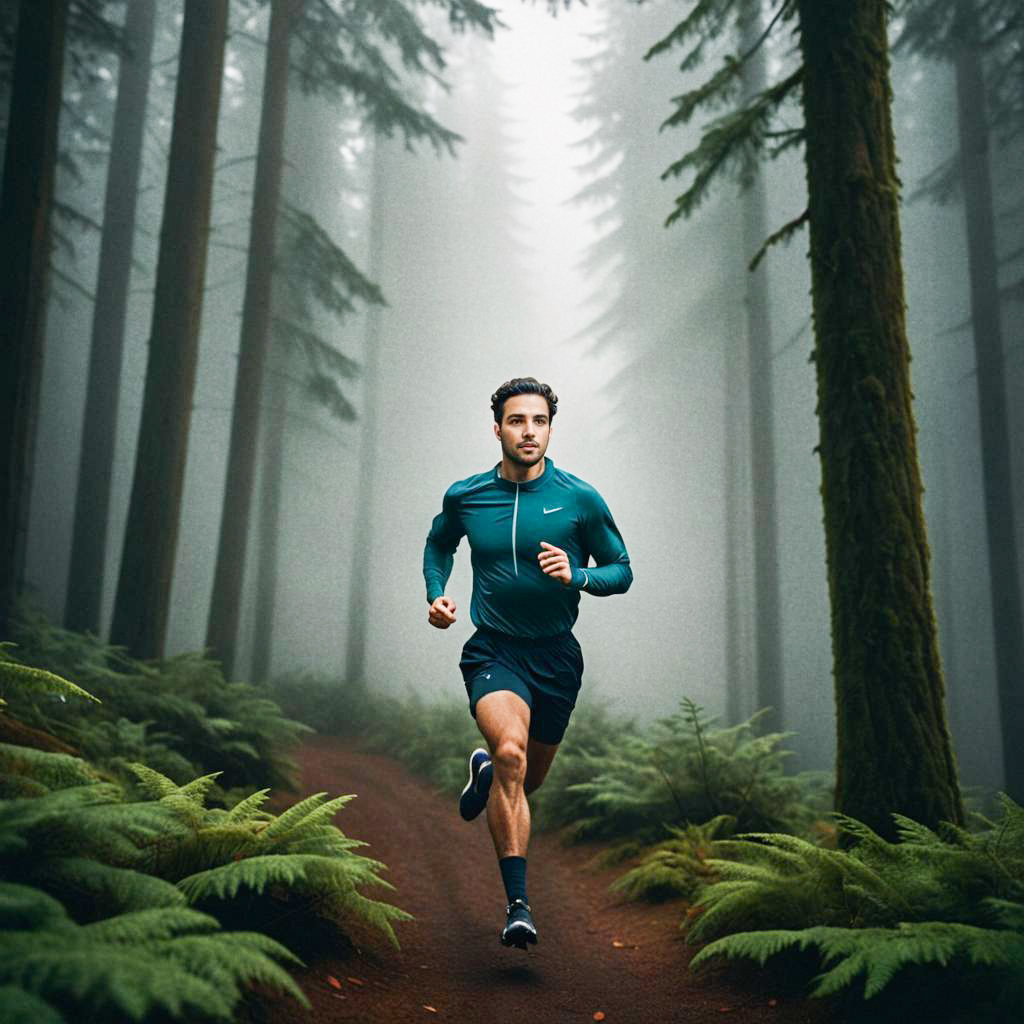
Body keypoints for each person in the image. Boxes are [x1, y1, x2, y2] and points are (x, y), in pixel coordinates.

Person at [422, 377, 632, 950]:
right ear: (498, 429)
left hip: (557, 658)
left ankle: (487, 773)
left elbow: (623, 570)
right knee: (511, 751)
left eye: (538, 421)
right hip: (494, 649)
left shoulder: (579, 499)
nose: (528, 431)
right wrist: (436, 593)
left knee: (525, 779)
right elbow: (440, 543)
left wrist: (578, 575)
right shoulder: (466, 496)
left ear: (550, 429)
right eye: (517, 421)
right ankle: (519, 906)